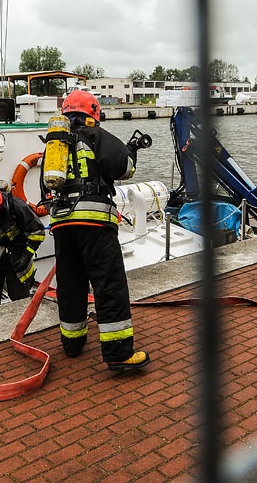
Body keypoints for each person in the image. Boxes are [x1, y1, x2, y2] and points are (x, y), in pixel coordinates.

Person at [42, 89, 150, 372]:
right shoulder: (97, 136)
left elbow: (46, 186)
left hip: (63, 224)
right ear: (94, 113)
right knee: (108, 285)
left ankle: (72, 344)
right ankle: (118, 352)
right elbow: (123, 168)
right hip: (95, 223)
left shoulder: (55, 145)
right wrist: (132, 151)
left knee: (70, 284)